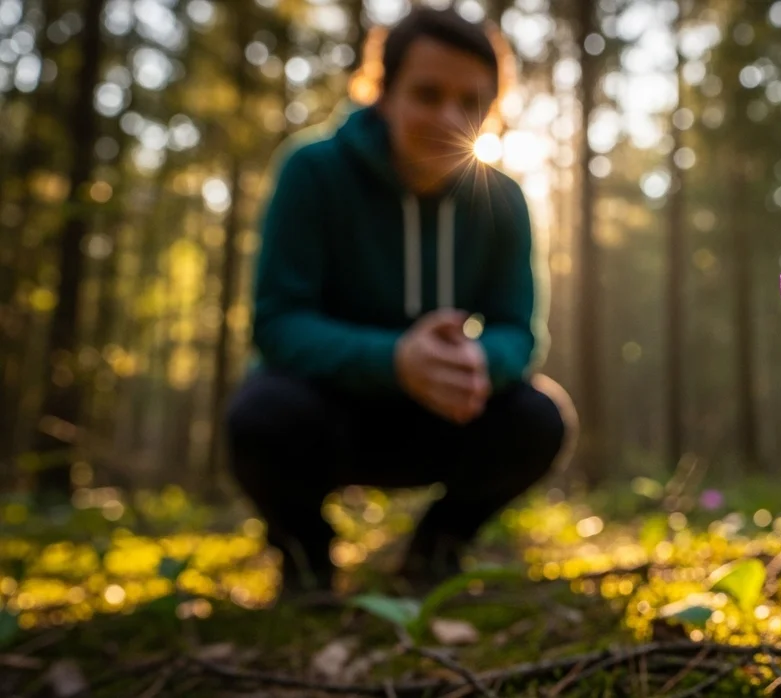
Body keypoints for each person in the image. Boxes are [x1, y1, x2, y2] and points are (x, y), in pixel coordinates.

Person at [226, 7, 567, 593]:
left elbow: (519, 329)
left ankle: (437, 550)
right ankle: (305, 557)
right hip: (331, 414)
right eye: (427, 94)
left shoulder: (503, 200)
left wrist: (476, 363)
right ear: (382, 93)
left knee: (540, 418)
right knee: (260, 416)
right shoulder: (312, 171)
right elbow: (278, 321)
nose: (449, 117)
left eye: (471, 101)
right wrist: (394, 359)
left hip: (447, 414)